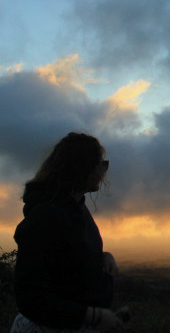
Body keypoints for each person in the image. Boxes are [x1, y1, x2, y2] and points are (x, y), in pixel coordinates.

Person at [11, 132, 124, 332]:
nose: (103, 171)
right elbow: (31, 298)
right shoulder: (47, 216)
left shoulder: (76, 207)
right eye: (101, 165)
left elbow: (68, 258)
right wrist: (94, 316)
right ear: (82, 168)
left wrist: (104, 257)